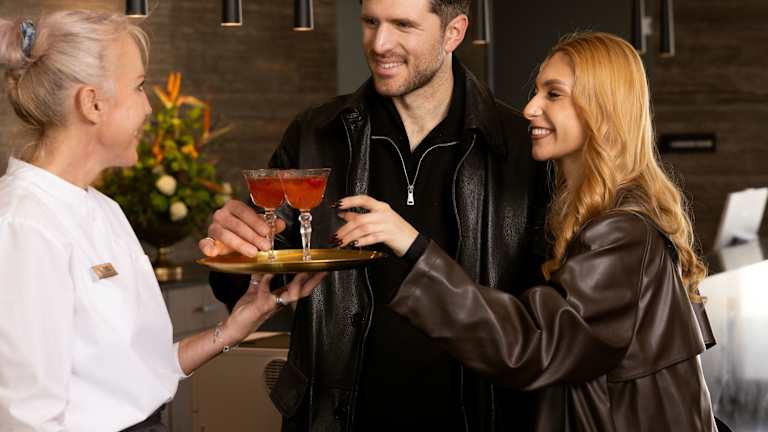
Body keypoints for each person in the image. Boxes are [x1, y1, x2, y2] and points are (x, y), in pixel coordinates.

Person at [332, 32, 719, 430]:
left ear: (601, 109)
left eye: (554, 94)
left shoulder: (622, 232)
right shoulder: (600, 216)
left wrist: (413, 247)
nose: (530, 108)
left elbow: (534, 345)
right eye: (537, 92)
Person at [201, 0, 549, 430]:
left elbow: (545, 324)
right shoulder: (314, 133)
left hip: (480, 417)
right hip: (336, 419)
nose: (380, 43)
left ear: (454, 32)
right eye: (370, 22)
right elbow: (258, 277)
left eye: (403, 25)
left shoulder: (524, 147)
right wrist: (231, 248)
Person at [0, 11, 325, 431]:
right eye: (139, 87)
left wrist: (232, 329)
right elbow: (25, 420)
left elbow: (143, 372)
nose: (148, 106)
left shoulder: (103, 209)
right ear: (92, 103)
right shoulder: (22, 226)